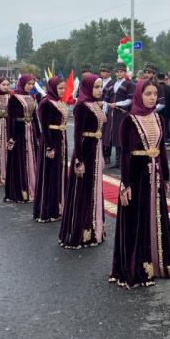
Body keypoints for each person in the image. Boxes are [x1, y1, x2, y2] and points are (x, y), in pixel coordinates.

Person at [109, 78, 170, 288]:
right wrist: (125, 184)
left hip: (155, 176)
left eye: (155, 94)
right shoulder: (129, 121)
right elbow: (125, 155)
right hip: (137, 177)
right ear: (139, 95)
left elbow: (161, 151)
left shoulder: (158, 118)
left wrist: (166, 177)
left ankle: (160, 263)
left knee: (156, 218)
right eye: (148, 94)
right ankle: (138, 267)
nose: (152, 98)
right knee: (137, 220)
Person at [59, 74, 107, 248]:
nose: (99, 90)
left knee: (94, 188)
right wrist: (79, 160)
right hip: (86, 150)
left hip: (96, 148)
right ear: (87, 87)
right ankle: (81, 231)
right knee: (83, 190)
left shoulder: (95, 104)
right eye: (96, 87)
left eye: (101, 87)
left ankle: (94, 228)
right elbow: (77, 134)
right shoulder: (81, 106)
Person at [34, 76, 68, 222]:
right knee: (49, 174)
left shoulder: (60, 102)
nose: (63, 91)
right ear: (53, 88)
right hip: (51, 140)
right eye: (60, 88)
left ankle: (59, 205)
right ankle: (48, 209)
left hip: (61, 139)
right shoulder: (46, 103)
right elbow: (45, 126)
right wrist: (49, 146)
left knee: (59, 172)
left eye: (64, 88)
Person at [4, 75, 40, 203]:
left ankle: (34, 188)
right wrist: (11, 137)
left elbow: (35, 117)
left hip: (31, 131)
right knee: (21, 160)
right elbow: (10, 118)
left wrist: (39, 134)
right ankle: (22, 190)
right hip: (19, 133)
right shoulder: (14, 98)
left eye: (32, 84)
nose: (30, 86)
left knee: (33, 158)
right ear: (22, 83)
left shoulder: (32, 97)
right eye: (28, 84)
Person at [103, 63, 135, 168]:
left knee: (122, 137)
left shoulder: (129, 84)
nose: (119, 73)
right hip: (112, 115)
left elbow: (130, 100)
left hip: (123, 114)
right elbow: (106, 100)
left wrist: (117, 104)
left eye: (121, 71)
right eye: (117, 72)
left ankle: (123, 162)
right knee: (115, 137)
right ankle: (117, 162)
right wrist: (104, 113)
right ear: (115, 73)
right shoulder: (111, 85)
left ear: (125, 72)